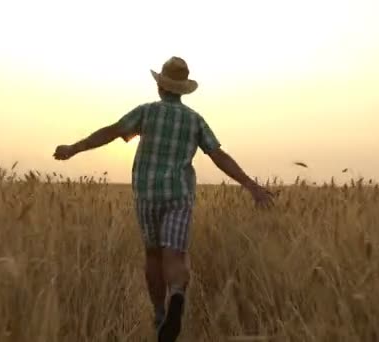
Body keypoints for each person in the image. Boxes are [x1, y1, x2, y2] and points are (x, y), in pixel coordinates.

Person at [53, 56, 275, 342]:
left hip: (147, 194)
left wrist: (75, 147)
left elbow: (112, 132)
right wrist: (251, 185)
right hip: (179, 195)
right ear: (183, 90)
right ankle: (178, 297)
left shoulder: (146, 112)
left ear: (160, 87)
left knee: (154, 255)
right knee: (176, 255)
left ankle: (160, 313)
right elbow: (218, 155)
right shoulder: (195, 120)